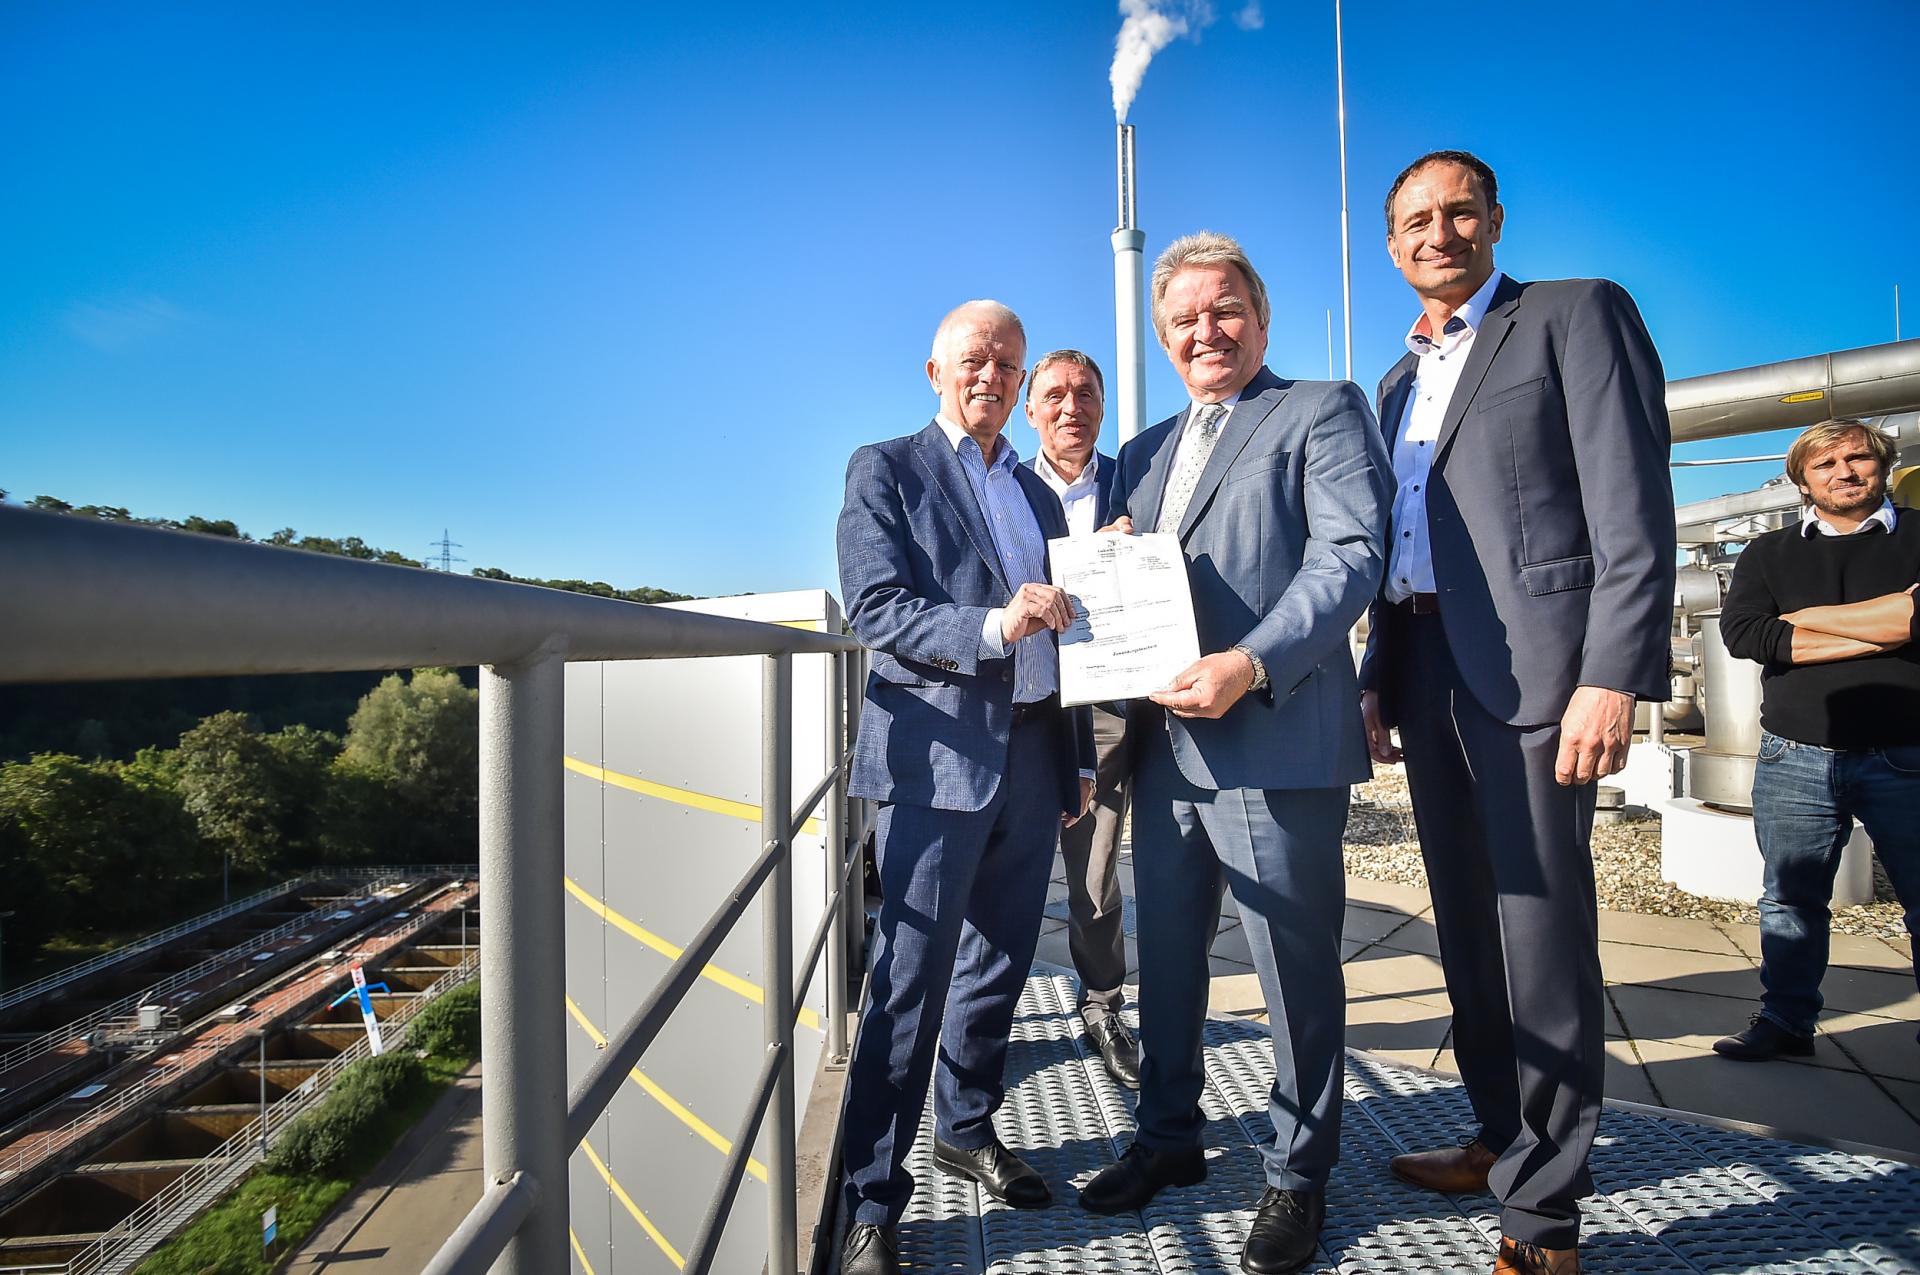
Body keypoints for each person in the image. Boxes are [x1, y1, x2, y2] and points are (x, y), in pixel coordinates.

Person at [1357, 150, 1675, 1275]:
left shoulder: (1575, 316)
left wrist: (1613, 672)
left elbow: (1631, 504)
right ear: (1391, 247)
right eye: (1411, 224)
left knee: (1540, 933)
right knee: (1464, 924)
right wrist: (1378, 682)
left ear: (1494, 219)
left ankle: (1543, 1219)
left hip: (1543, 675)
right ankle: (1502, 1136)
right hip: (1429, 669)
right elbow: (1399, 553)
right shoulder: (1392, 387)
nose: (1435, 235)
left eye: (1455, 213)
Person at [1078, 232, 1392, 1275]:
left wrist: (1251, 665)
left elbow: (1349, 556)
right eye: (1183, 321)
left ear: (1260, 317)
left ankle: (1298, 1174)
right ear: (1163, 336)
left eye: (1224, 312)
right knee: (1166, 964)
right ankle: (1169, 1137)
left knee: (1292, 972)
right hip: (1165, 753)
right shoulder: (1143, 450)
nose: (1203, 332)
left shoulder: (1321, 410)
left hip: (1270, 737)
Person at [833, 300, 1096, 1275]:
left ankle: (968, 1127)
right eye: (977, 360)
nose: (994, 376)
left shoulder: (1030, 491)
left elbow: (1061, 630)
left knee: (998, 967)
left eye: (1009, 366)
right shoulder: (886, 468)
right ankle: (871, 1202)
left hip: (1032, 758)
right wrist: (993, 627)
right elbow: (877, 608)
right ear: (936, 370)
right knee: (907, 986)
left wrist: (1069, 754)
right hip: (934, 763)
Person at [1713, 418, 1920, 1060]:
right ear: (1803, 480)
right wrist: (1890, 624)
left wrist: (1808, 625)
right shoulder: (1769, 553)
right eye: (1825, 465)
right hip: (1795, 751)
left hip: (1906, 750)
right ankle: (1786, 1022)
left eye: (1858, 459)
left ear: (1882, 465)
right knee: (1791, 897)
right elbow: (1747, 636)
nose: (1844, 473)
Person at [1023, 348, 1141, 1088]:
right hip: (1024, 701)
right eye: (1056, 394)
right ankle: (978, 1018)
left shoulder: (1135, 479)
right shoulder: (999, 485)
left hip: (1105, 704)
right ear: (1032, 409)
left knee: (1095, 873)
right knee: (999, 869)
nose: (1072, 406)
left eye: (1086, 393)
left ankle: (1102, 1004)